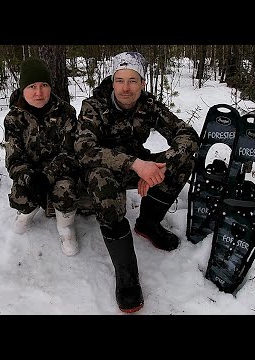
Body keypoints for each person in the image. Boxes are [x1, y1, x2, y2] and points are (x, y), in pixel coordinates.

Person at [74, 51, 200, 313]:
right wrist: (137, 165)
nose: (126, 88)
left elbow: (187, 135)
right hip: (101, 171)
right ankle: (127, 276)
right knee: (104, 184)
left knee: (183, 161)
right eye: (120, 80)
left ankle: (148, 224)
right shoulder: (93, 106)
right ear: (112, 79)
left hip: (138, 167)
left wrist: (159, 167)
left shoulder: (149, 105)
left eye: (133, 80)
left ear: (142, 83)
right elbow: (85, 149)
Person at [4, 57, 80, 256]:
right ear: (23, 89)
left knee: (65, 191)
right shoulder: (14, 118)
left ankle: (65, 227)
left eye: (44, 85)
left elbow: (70, 153)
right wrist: (31, 178)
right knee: (20, 196)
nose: (39, 92)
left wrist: (48, 176)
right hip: (30, 171)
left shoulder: (66, 112)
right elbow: (13, 160)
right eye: (32, 86)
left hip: (59, 171)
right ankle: (28, 212)